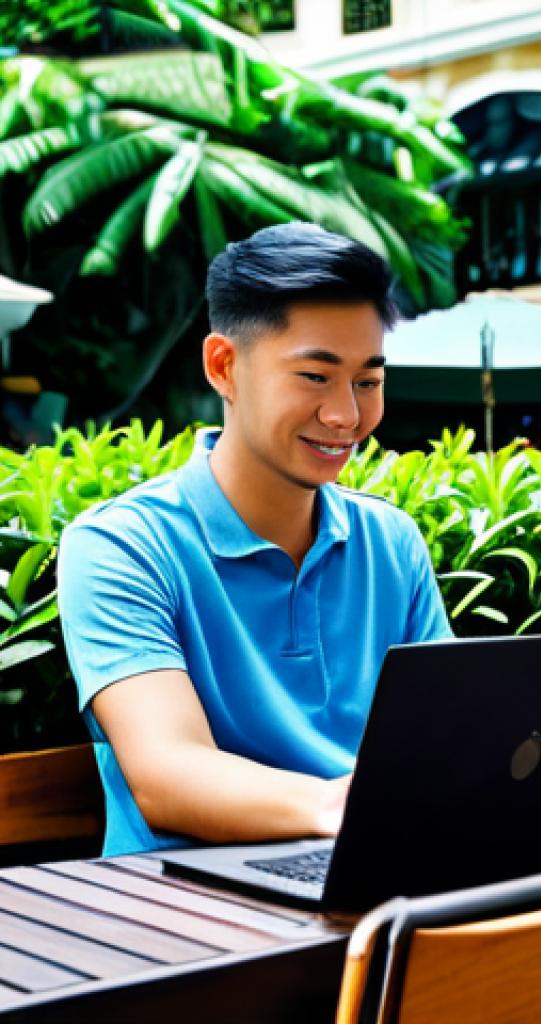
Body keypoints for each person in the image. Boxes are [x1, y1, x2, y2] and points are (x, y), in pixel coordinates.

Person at [57, 223, 453, 858]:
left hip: (371, 873)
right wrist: (339, 806)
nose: (347, 416)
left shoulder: (392, 541)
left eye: (368, 381)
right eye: (315, 377)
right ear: (224, 367)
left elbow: (448, 734)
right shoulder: (119, 546)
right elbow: (168, 775)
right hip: (179, 914)